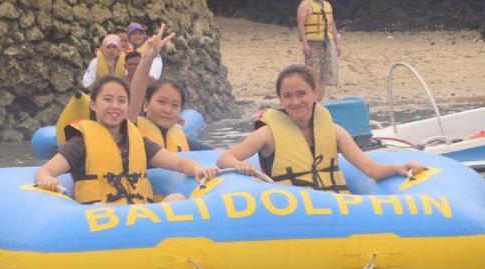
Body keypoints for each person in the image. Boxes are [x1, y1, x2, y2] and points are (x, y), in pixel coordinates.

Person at [216, 64, 425, 193]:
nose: (295, 101)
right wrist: (239, 165)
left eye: (302, 93)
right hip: (292, 213)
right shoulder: (267, 134)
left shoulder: (334, 132)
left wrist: (398, 168)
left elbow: (371, 169)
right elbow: (224, 158)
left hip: (334, 207)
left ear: (315, 93)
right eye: (287, 96)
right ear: (280, 99)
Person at [36, 74, 219, 204]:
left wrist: (197, 169)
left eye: (122, 101)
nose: (115, 106)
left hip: (140, 214)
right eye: (108, 99)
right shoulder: (79, 143)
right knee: (100, 209)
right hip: (101, 218)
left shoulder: (137, 141)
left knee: (177, 198)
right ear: (93, 104)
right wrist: (47, 179)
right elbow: (46, 171)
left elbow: (178, 164)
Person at [127, 24, 214, 152]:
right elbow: (135, 96)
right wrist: (147, 58)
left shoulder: (180, 138)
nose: (167, 110)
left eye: (175, 105)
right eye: (161, 102)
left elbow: (218, 153)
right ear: (145, 103)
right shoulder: (132, 129)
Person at [297, 0, 341, 101]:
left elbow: (332, 25)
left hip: (327, 43)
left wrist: (337, 43)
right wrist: (305, 44)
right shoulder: (305, 5)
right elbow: (301, 25)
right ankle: (312, 101)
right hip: (313, 44)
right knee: (313, 74)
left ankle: (319, 101)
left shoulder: (327, 5)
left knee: (324, 75)